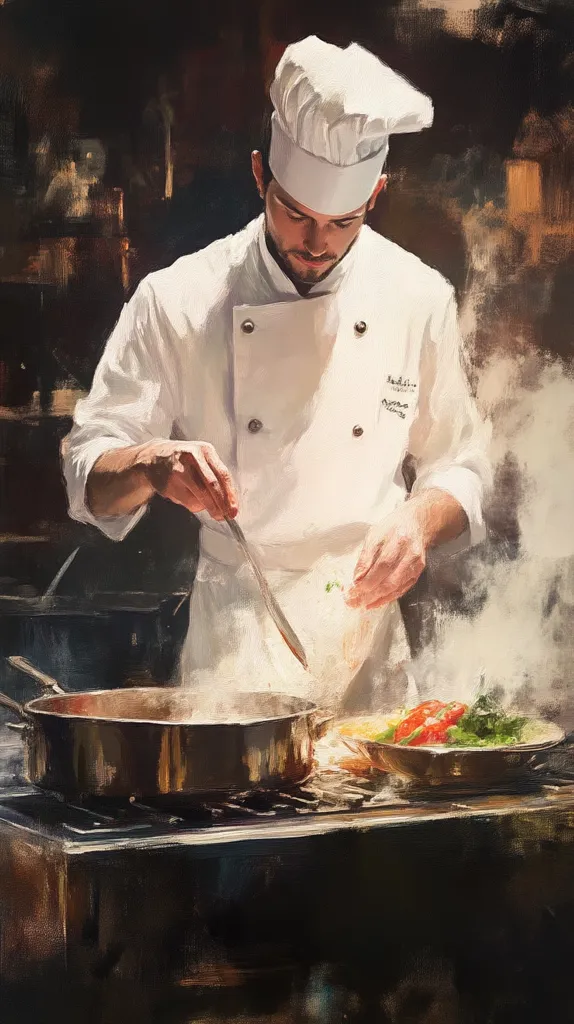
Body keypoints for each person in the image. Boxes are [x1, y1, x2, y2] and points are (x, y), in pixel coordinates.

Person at [62, 37, 491, 712]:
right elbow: (88, 474)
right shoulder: (177, 299)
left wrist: (419, 521)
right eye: (295, 213)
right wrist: (151, 463)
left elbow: (461, 463)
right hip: (237, 646)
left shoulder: (417, 295)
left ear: (375, 196)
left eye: (340, 222)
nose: (316, 243)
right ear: (261, 175)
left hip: (367, 648)